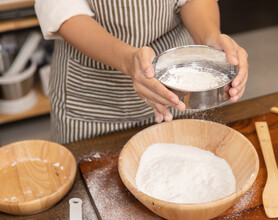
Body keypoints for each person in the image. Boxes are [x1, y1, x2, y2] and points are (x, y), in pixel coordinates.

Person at [34, 0, 248, 144]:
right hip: (92, 98)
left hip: (177, 83)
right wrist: (129, 61)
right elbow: (63, 11)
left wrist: (210, 40)